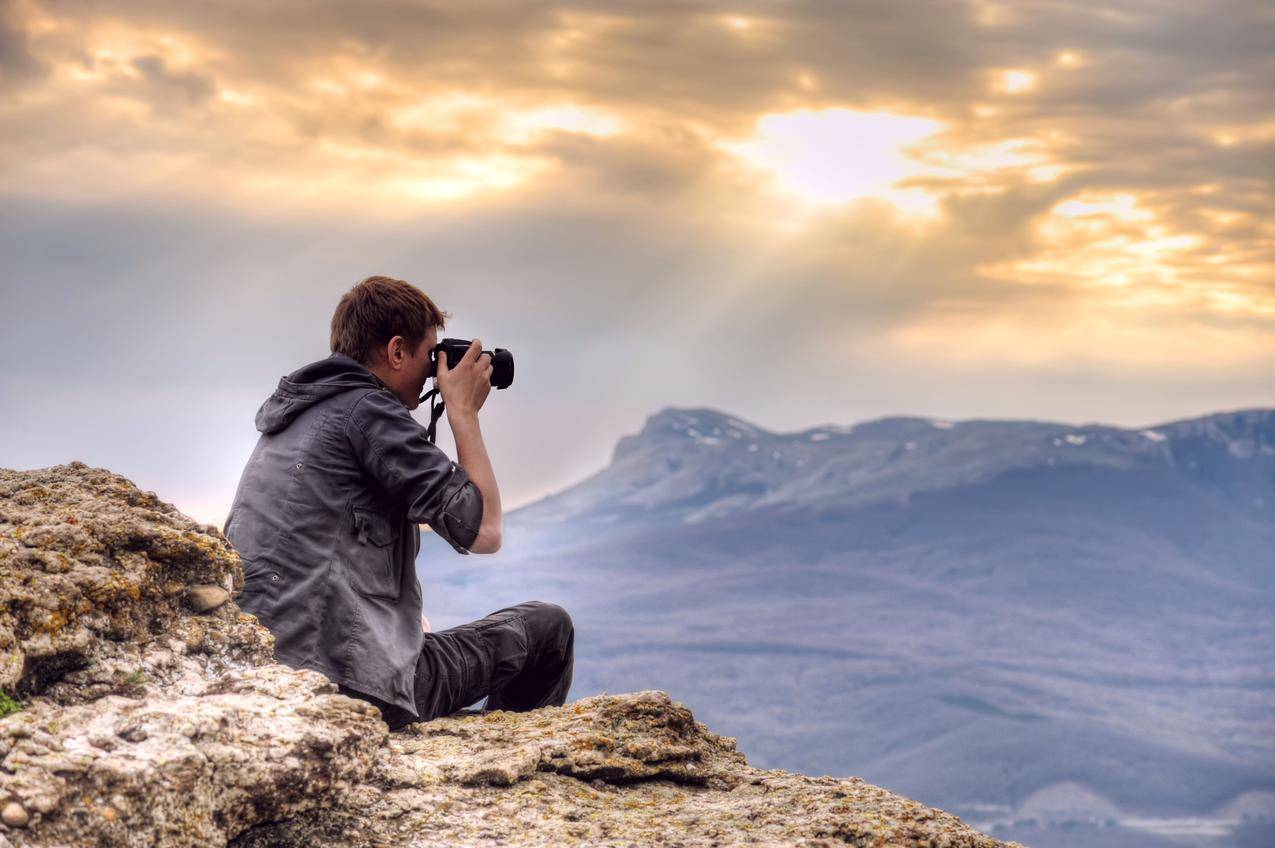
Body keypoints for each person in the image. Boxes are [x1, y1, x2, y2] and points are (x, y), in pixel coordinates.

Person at [223, 275, 574, 730]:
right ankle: (505, 768)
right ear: (395, 352)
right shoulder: (368, 413)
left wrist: (399, 626)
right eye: (431, 354)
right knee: (548, 630)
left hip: (271, 671)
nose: (435, 368)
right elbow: (486, 530)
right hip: (346, 684)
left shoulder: (295, 415)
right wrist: (462, 412)